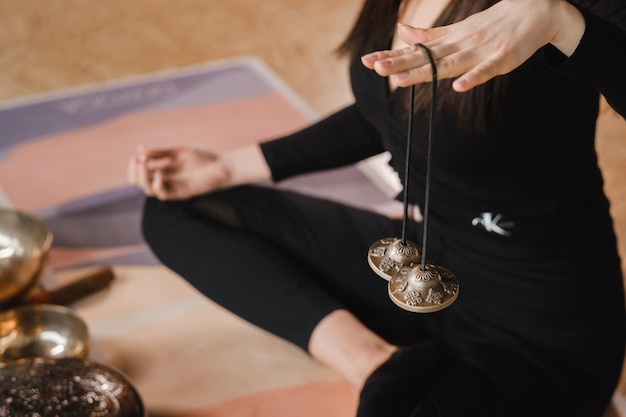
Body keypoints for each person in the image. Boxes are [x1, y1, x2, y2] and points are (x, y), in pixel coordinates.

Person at [127, 0, 626, 415]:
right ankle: (373, 360)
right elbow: (388, 111)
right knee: (182, 210)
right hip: (417, 263)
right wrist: (230, 166)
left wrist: (562, 22)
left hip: (538, 332)